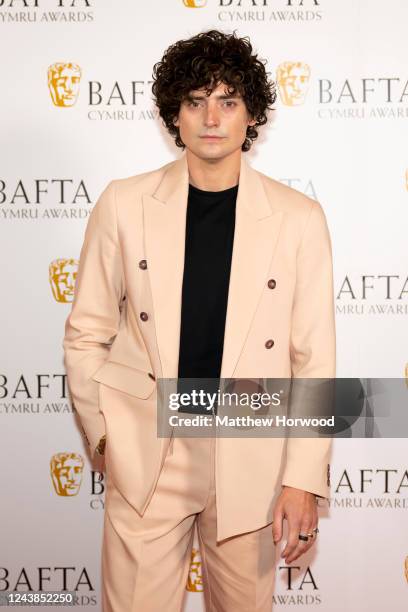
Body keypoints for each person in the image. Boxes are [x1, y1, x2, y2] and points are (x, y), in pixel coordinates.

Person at [63, 29, 336, 612]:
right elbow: (86, 333)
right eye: (195, 101)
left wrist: (304, 478)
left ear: (251, 114)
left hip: (251, 448)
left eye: (228, 101)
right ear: (175, 115)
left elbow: (314, 359)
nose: (212, 117)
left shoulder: (298, 219)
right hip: (149, 446)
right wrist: (107, 434)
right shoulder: (123, 203)